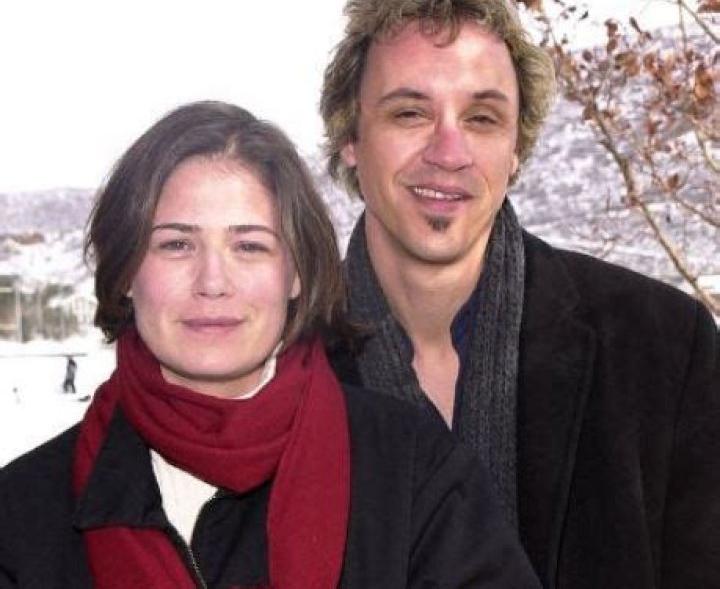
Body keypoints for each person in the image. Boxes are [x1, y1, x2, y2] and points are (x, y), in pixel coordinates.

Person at [0, 101, 540, 588]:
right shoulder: (23, 511)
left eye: (250, 246)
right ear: (125, 272)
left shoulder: (413, 472)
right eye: (177, 244)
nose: (213, 281)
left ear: (297, 272)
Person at [320, 0, 720, 589]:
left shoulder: (664, 346)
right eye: (410, 113)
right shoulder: (278, 366)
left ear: (515, 149)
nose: (448, 153)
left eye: (482, 119)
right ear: (351, 137)